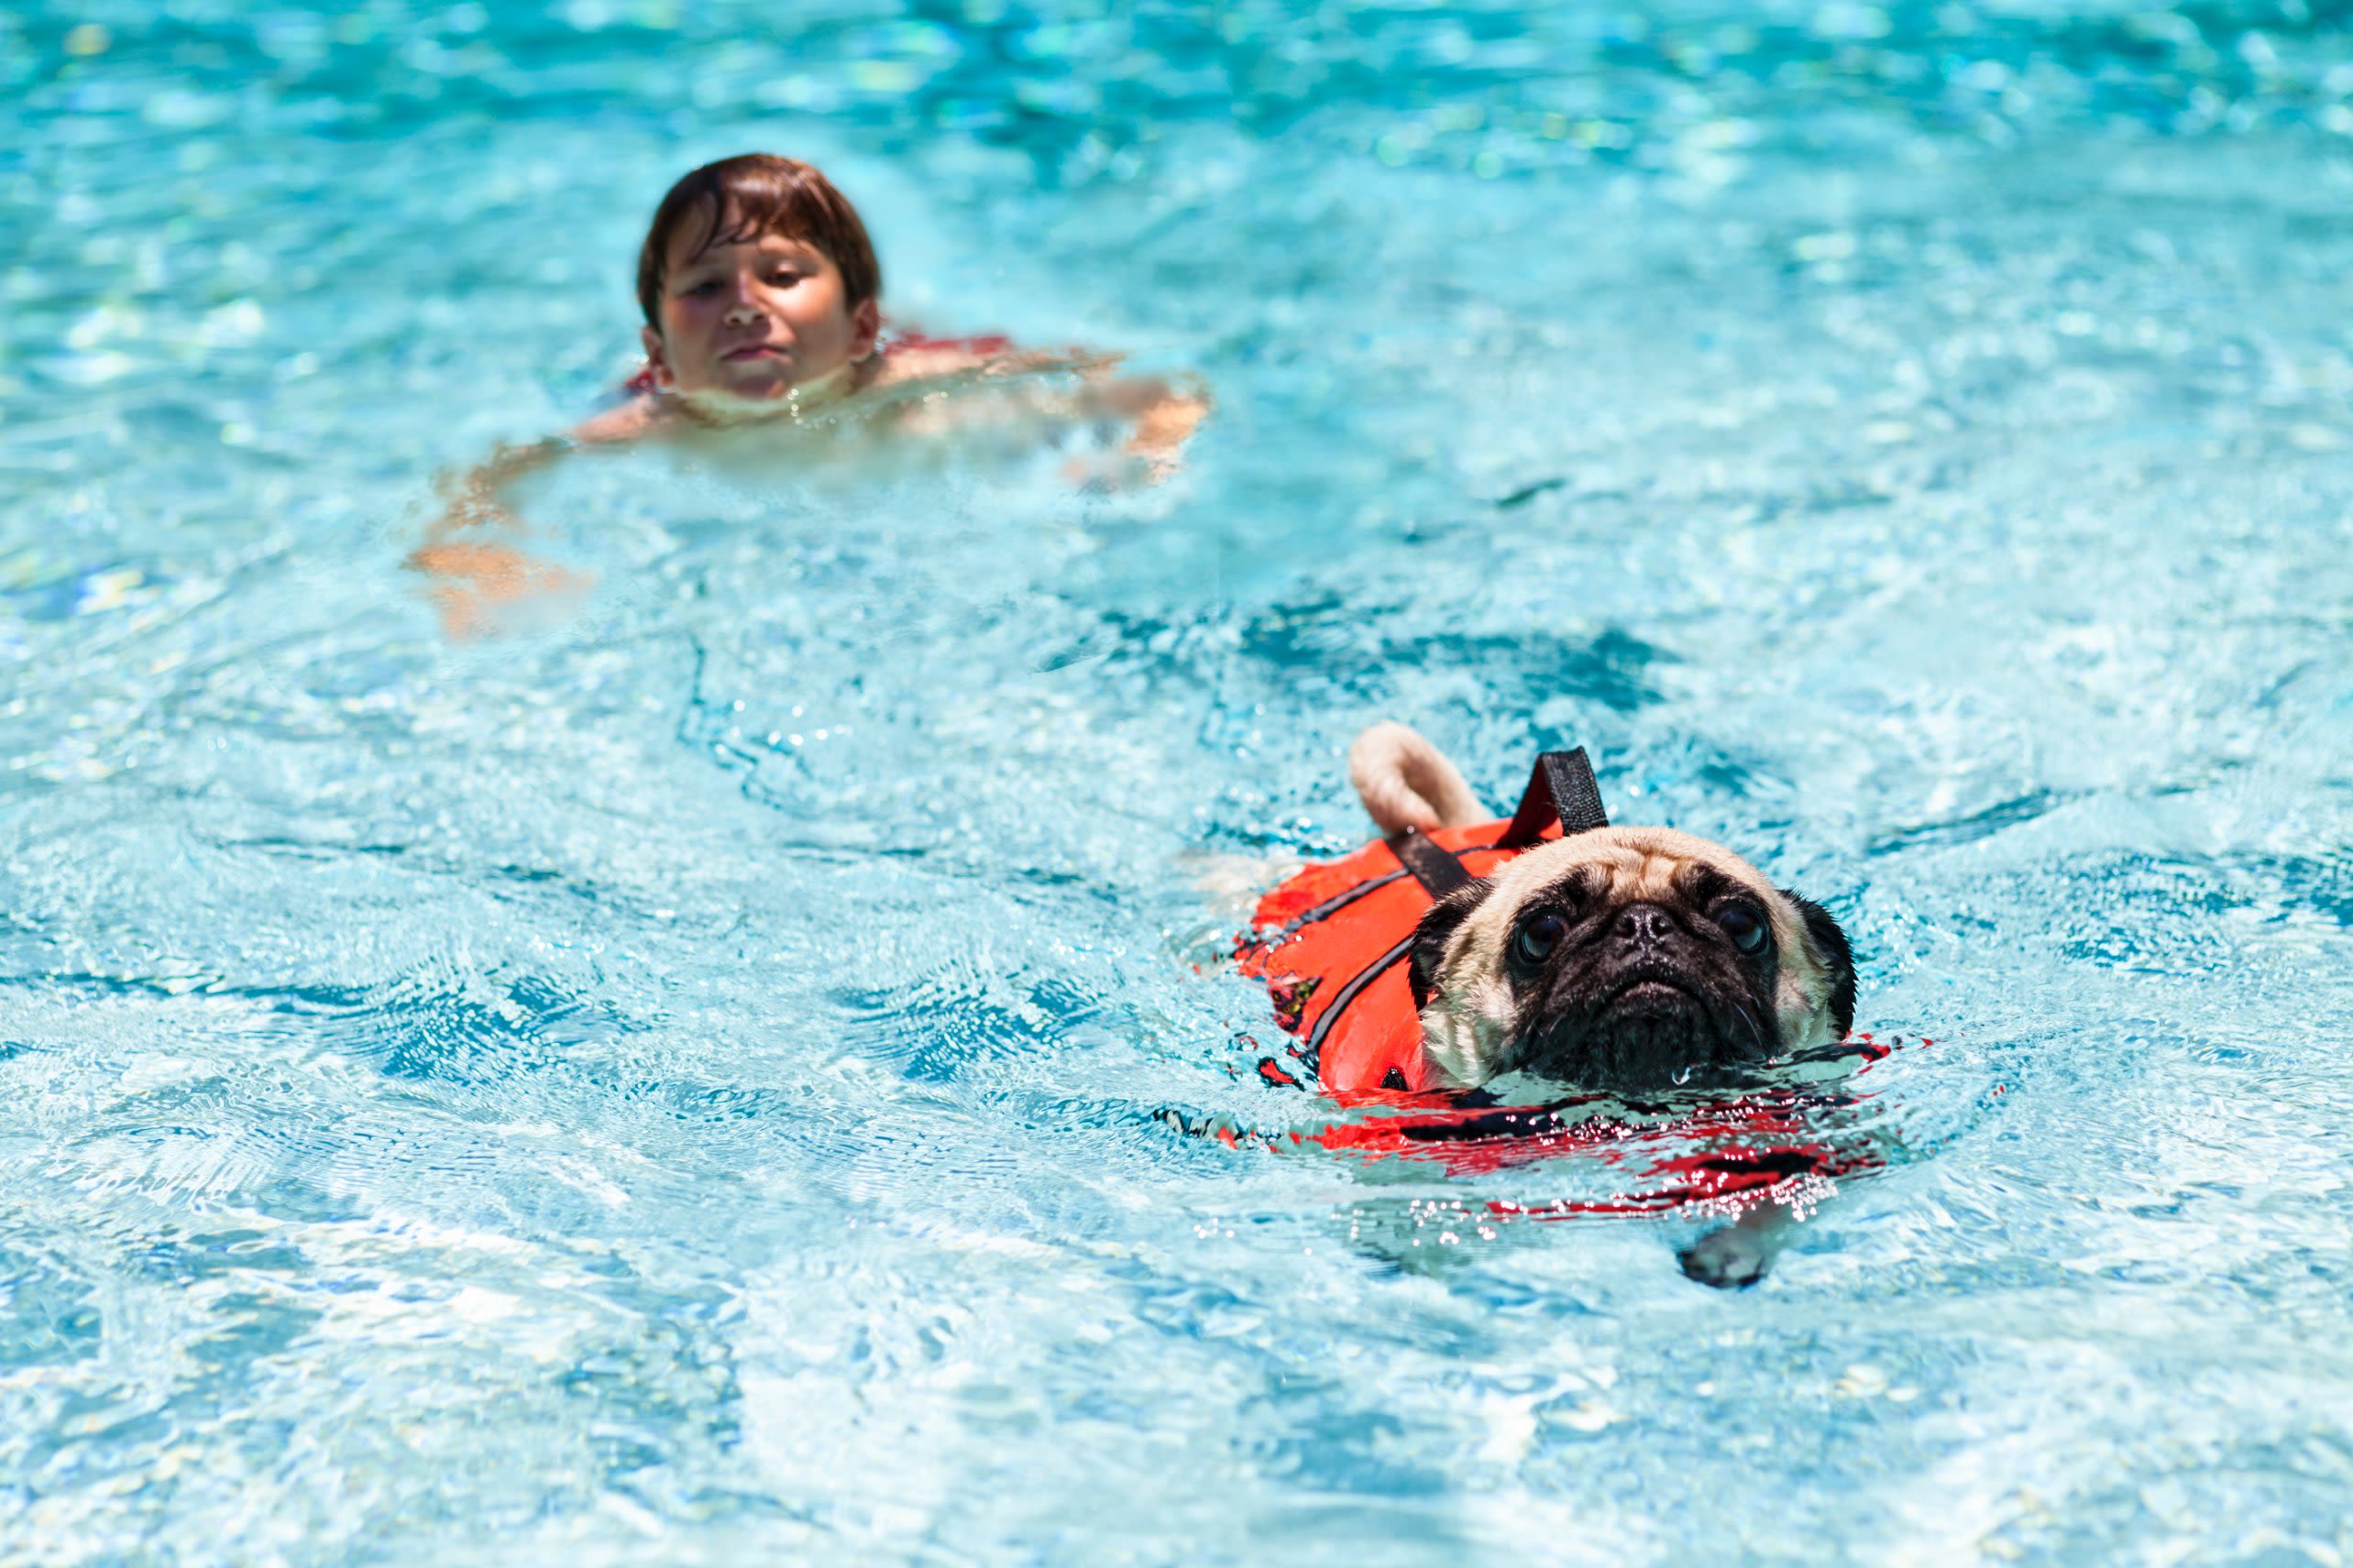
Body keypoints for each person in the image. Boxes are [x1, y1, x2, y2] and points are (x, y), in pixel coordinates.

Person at [410, 153, 1207, 637]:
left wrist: (1150, 445)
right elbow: (494, 472)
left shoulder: (910, 377)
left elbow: (1136, 373)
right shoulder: (650, 421)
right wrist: (478, 559)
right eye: (705, 286)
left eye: (783, 277)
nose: (745, 303)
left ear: (862, 330)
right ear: (658, 354)